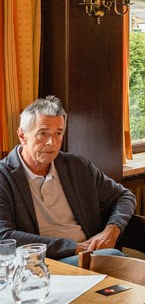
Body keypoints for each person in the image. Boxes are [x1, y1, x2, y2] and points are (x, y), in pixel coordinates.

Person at [0, 96, 136, 263]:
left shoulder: (77, 166)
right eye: (43, 133)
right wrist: (73, 247)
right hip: (42, 263)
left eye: (58, 133)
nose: (52, 142)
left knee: (132, 267)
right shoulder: (4, 177)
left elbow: (124, 196)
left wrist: (112, 230)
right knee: (119, 262)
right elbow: (4, 236)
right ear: (22, 135)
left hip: (90, 254)